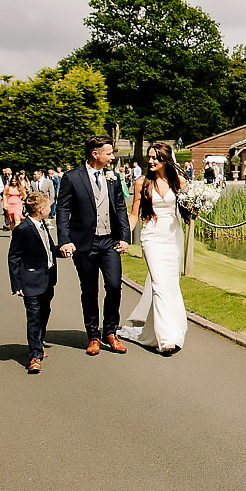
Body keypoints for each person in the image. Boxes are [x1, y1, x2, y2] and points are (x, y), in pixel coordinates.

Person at [56, 136, 131, 356]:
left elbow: (120, 208)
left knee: (115, 286)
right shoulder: (72, 178)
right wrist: (65, 240)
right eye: (108, 153)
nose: (112, 157)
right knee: (89, 291)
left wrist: (125, 237)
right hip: (84, 243)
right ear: (95, 154)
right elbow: (62, 210)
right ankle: (93, 336)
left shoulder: (113, 177)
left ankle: (110, 331)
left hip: (109, 241)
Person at [117, 142, 188, 355]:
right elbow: (134, 214)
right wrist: (125, 237)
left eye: (155, 157)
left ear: (166, 159)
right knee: (158, 283)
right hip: (152, 237)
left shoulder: (179, 182)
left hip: (173, 236)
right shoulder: (142, 182)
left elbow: (187, 209)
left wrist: (196, 207)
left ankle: (154, 332)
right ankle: (167, 339)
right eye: (149, 157)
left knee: (170, 284)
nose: (151, 161)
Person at [8, 192, 64, 374]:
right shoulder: (23, 229)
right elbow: (14, 257)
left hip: (48, 279)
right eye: (48, 207)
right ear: (41, 209)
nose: (50, 209)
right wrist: (17, 284)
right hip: (30, 281)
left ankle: (38, 342)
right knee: (33, 317)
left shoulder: (43, 226)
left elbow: (48, 249)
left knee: (44, 313)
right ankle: (34, 355)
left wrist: (62, 251)